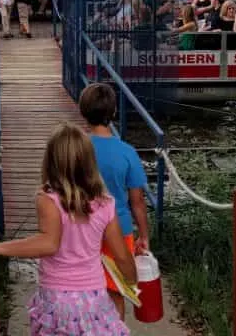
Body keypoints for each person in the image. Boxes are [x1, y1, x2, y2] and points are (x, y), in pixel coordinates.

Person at [0, 123, 135, 336]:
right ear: (90, 161)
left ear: (51, 162)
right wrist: (132, 280)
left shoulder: (49, 200)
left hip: (58, 300)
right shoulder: (105, 203)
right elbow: (121, 256)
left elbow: (48, 243)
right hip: (94, 298)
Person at [78, 84, 149, 320]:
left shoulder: (78, 150)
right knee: (116, 291)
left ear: (83, 112)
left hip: (83, 227)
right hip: (120, 228)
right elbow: (137, 201)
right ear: (114, 113)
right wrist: (144, 235)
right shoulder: (127, 152)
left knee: (84, 291)